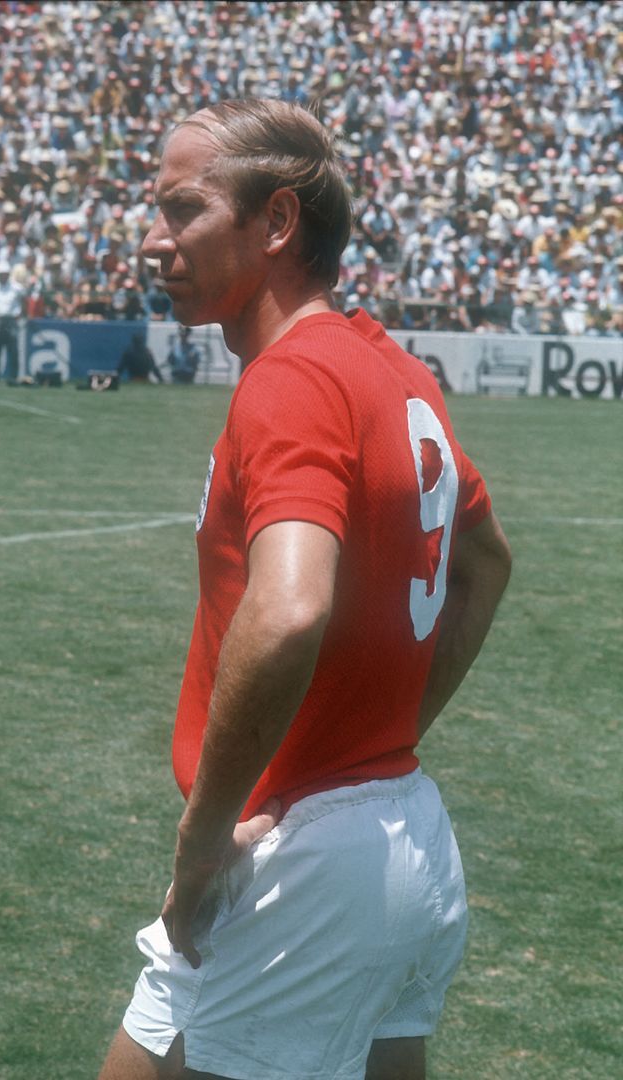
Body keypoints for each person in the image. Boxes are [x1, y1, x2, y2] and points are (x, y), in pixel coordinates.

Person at [98, 99, 512, 1080]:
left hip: (296, 865)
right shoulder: (395, 369)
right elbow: (485, 563)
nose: (155, 240)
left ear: (277, 223)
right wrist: (381, 728)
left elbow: (287, 613)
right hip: (396, 829)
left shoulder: (291, 380)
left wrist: (200, 844)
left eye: (183, 209)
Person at [0, 262, 26, 384]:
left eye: (5, 274)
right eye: (1, 274)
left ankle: (13, 377)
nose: (3, 276)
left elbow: (23, 301)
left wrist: (21, 314)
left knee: (13, 350)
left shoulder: (16, 287)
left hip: (11, 320)